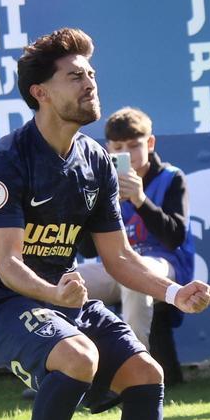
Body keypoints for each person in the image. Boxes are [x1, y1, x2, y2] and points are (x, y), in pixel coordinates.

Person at [0, 28, 210, 420]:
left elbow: (119, 259)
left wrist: (174, 292)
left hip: (64, 296)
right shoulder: (5, 163)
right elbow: (6, 267)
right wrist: (55, 294)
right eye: (75, 76)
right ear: (42, 93)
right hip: (8, 304)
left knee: (147, 373)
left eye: (91, 74)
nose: (89, 84)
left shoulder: (96, 161)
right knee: (78, 356)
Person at [77, 107, 193, 358]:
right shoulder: (101, 184)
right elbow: (86, 249)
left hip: (165, 266)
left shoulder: (172, 178)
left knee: (135, 276)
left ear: (150, 143)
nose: (125, 154)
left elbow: (174, 238)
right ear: (108, 149)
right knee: (63, 281)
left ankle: (134, 369)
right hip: (114, 265)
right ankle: (64, 371)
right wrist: (102, 205)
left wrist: (140, 200)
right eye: (118, 148)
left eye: (133, 145)